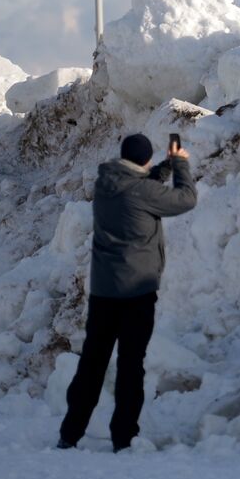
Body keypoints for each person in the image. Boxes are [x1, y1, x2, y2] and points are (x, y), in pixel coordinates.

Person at [57, 132, 196, 452]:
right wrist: (182, 166)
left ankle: (70, 433)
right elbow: (186, 199)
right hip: (137, 293)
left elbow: (141, 184)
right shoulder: (143, 191)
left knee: (92, 363)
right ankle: (123, 437)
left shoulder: (105, 183)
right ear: (144, 160)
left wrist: (165, 166)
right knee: (131, 365)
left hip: (104, 293)